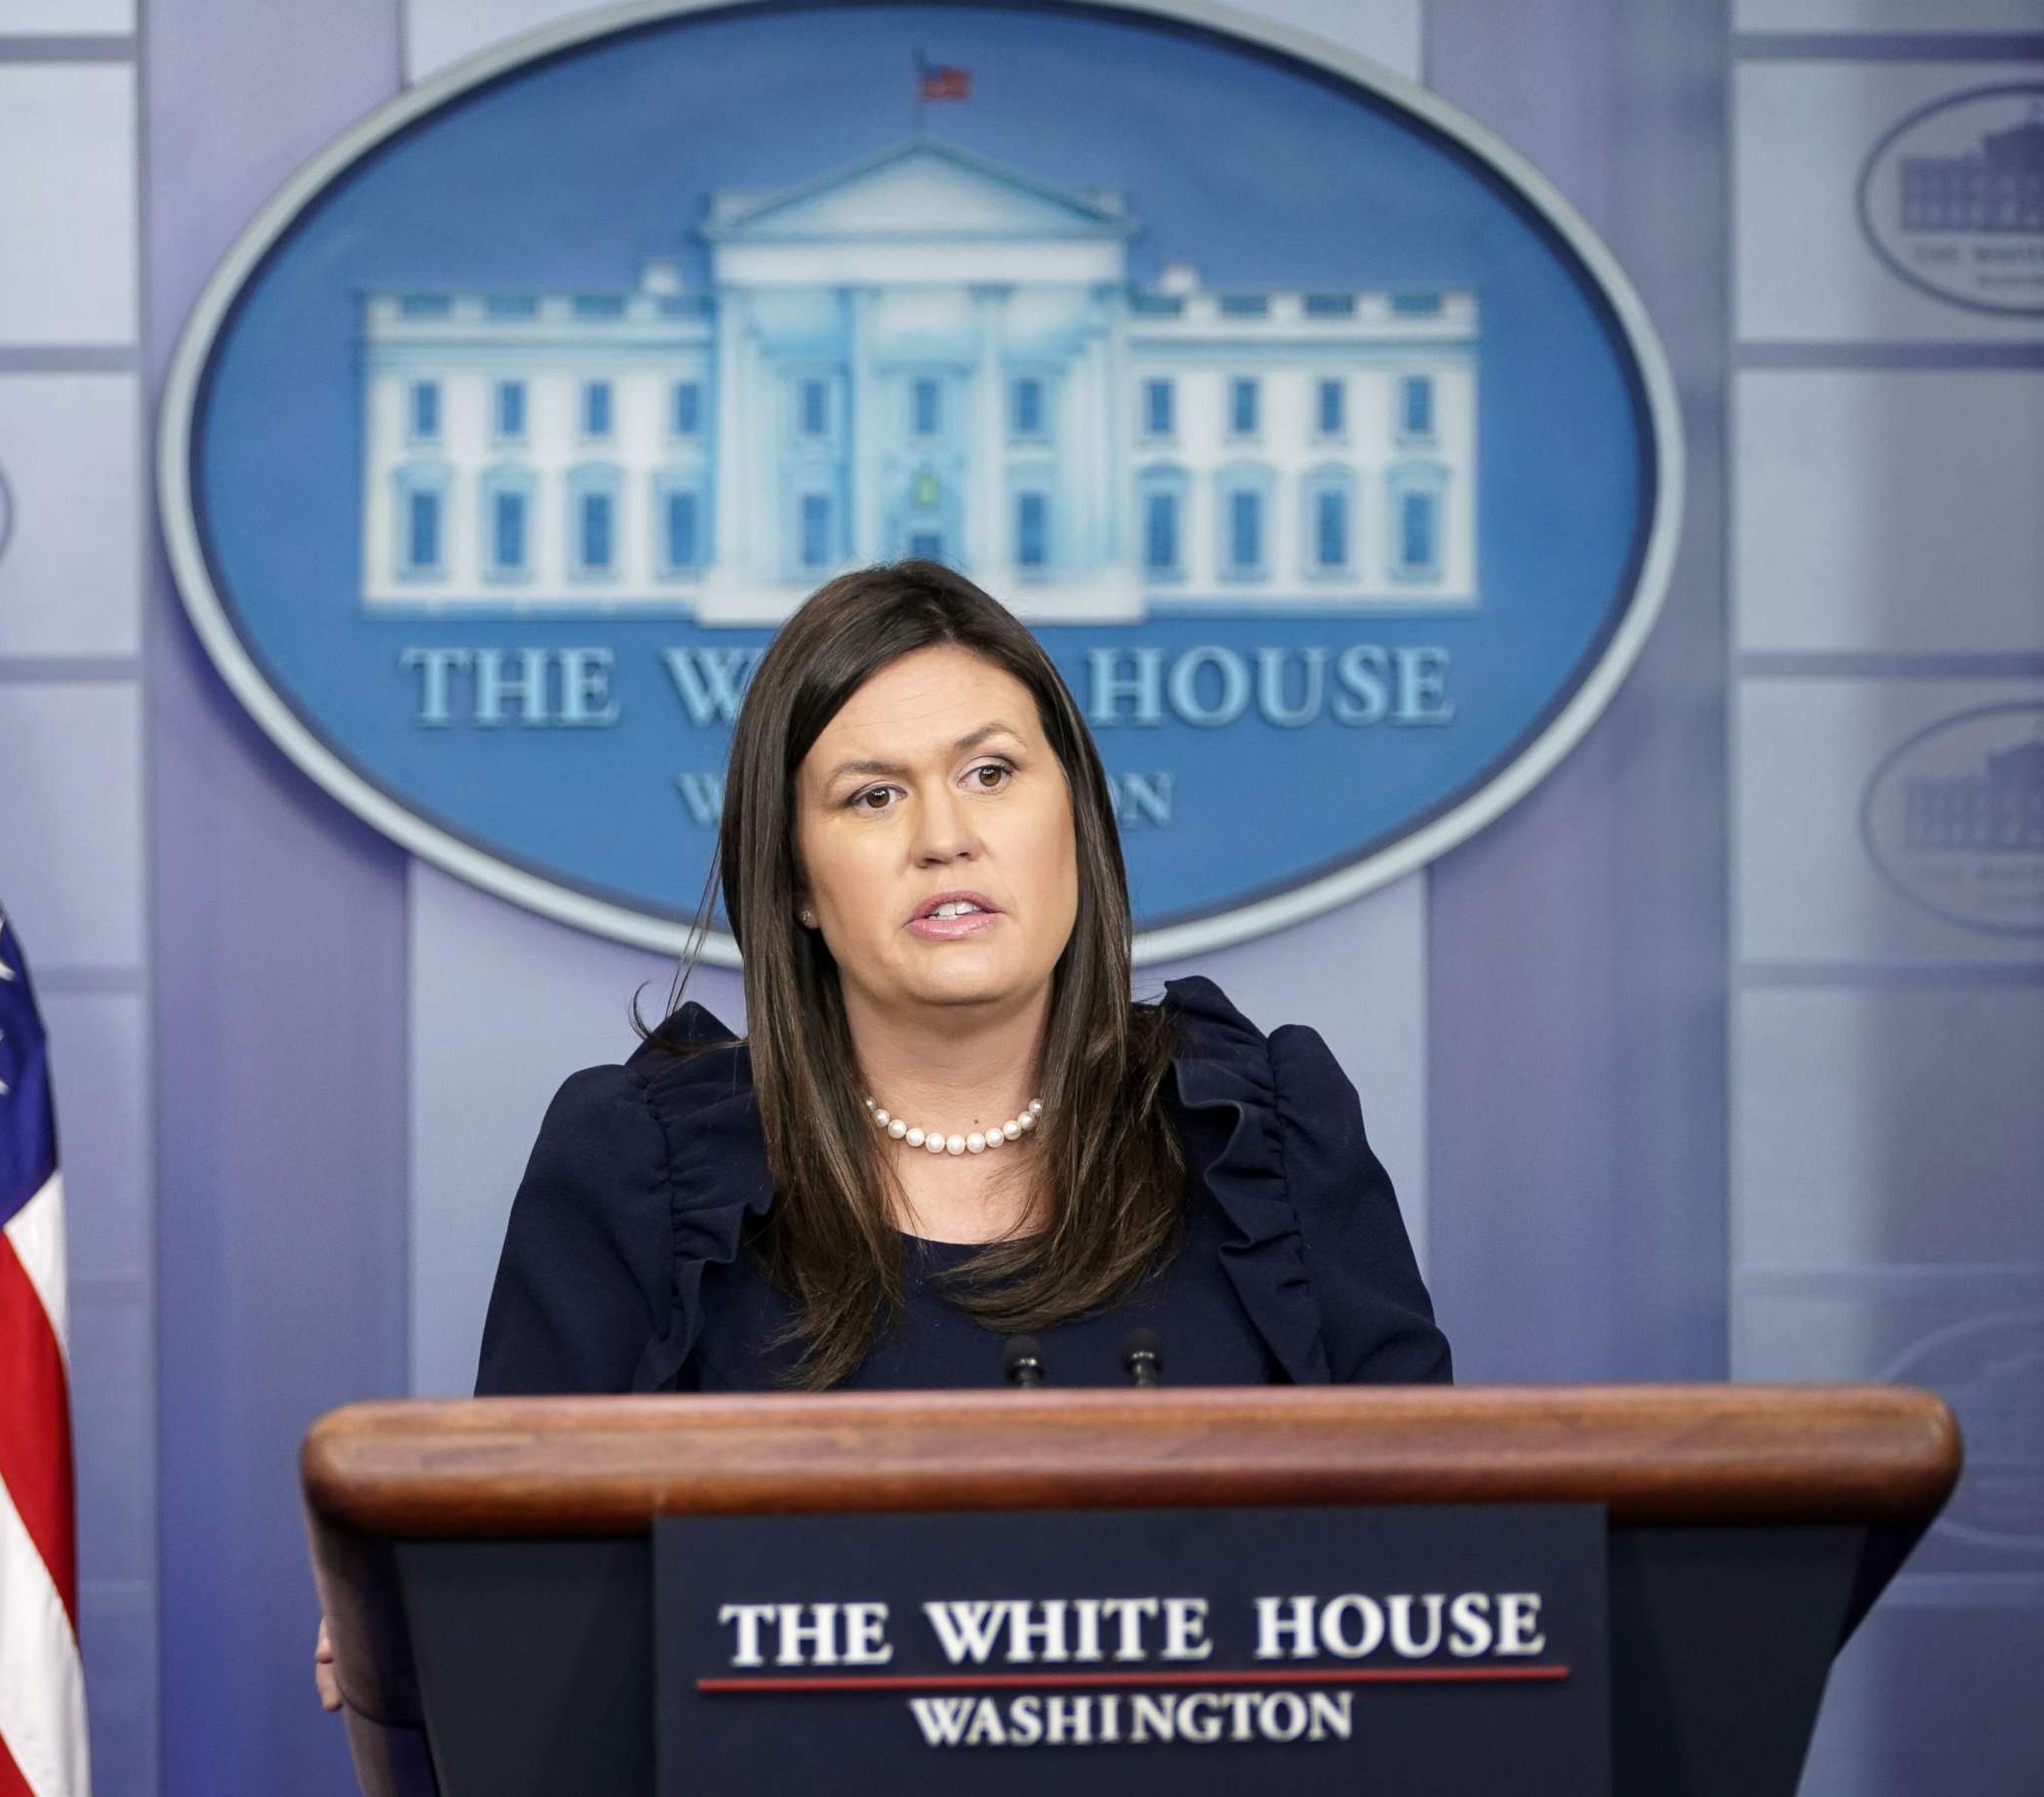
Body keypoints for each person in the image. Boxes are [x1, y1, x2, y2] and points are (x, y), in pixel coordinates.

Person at [313, 559, 1449, 1712]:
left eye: (992, 773)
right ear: (797, 880)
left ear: (1078, 818)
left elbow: (1445, 1594)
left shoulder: (1260, 1129)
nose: (944, 837)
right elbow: (518, 1632)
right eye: (872, 796)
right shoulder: (643, 1168)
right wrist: (429, 1618)